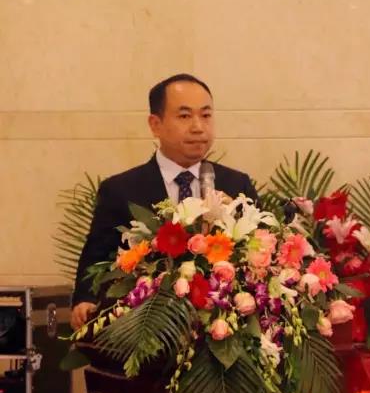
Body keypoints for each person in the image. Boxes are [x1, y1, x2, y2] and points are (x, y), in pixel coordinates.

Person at [70, 74, 258, 330]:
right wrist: (85, 300)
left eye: (206, 115)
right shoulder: (120, 190)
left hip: (221, 329)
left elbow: (258, 255)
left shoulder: (237, 185)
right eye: (184, 116)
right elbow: (96, 259)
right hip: (143, 332)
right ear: (155, 125)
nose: (198, 127)